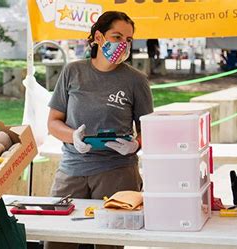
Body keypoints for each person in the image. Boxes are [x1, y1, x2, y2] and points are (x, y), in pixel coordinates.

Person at [46, 11, 153, 249]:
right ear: (99, 37)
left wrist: (136, 144)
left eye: (128, 40)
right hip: (72, 170)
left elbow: (148, 128)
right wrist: (72, 137)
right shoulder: (73, 72)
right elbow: (53, 122)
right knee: (57, 239)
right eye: (116, 37)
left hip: (117, 173)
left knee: (108, 243)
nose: (122, 45)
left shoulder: (136, 80)